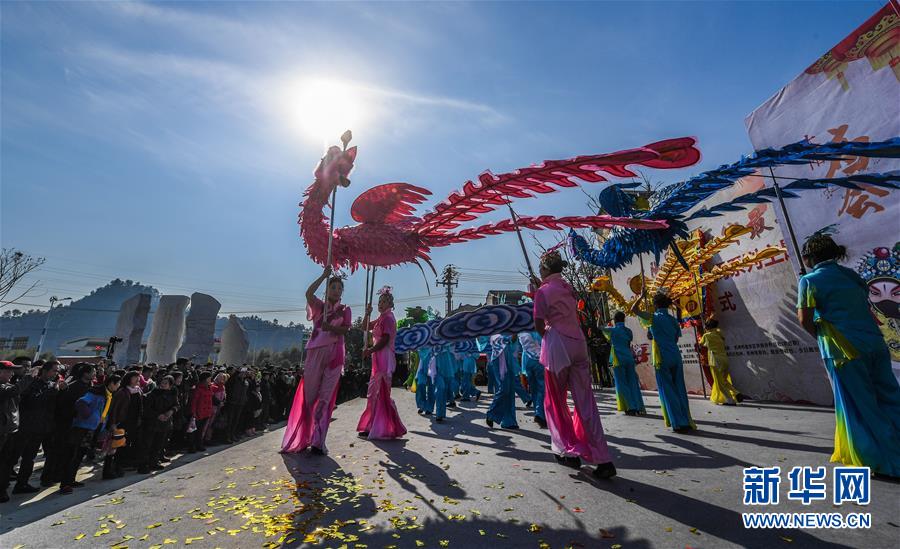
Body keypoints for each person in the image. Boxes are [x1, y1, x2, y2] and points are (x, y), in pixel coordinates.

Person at [797, 233, 900, 478]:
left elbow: (805, 319)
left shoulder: (809, 281)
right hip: (874, 342)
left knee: (861, 405)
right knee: (890, 398)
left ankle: (884, 460)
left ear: (809, 257)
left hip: (843, 350)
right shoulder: (851, 276)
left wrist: (823, 335)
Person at [533, 251, 616, 479]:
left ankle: (567, 450)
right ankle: (603, 458)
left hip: (558, 345)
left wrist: (546, 331)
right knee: (585, 402)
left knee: (555, 401)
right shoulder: (568, 288)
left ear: (545, 270)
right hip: (579, 343)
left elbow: (539, 323)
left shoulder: (543, 291)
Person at [282, 267, 351, 454]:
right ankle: (303, 437)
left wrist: (332, 328)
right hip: (314, 353)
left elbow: (346, 329)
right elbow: (308, 293)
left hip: (335, 355)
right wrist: (323, 275)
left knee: (325, 398)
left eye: (339, 288)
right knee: (310, 396)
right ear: (327, 290)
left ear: (342, 292)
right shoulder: (319, 306)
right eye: (333, 287)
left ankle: (318, 441)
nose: (336, 291)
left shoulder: (345, 309)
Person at [632, 292, 695, 433]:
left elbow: (634, 310)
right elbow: (675, 339)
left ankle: (678, 422)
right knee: (679, 388)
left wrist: (641, 297)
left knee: (668, 389)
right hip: (675, 355)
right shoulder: (673, 320)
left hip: (662, 357)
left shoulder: (653, 318)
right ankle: (685, 419)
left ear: (655, 305)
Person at [357, 287, 407, 439]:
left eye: (384, 301)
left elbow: (385, 340)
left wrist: (370, 350)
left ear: (391, 304)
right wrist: (367, 313)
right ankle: (374, 425)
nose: (381, 303)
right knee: (374, 393)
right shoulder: (380, 318)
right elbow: (363, 327)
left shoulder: (389, 319)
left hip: (384, 358)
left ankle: (381, 426)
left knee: (380, 392)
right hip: (377, 359)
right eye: (380, 301)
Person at [9, 360, 64, 494]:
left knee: (29, 458)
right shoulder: (32, 384)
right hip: (24, 427)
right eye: (53, 370)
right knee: (12, 457)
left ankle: (22, 484)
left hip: (40, 428)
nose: (55, 374)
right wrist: (53, 390)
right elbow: (32, 401)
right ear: (44, 371)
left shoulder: (52, 386)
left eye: (57, 371)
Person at [60, 374, 120, 494]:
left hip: (94, 429)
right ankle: (65, 483)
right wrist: (89, 416)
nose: (118, 386)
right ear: (111, 383)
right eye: (117, 383)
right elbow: (81, 402)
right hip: (83, 428)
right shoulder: (96, 393)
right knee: (73, 455)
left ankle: (71, 480)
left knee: (80, 455)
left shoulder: (109, 395)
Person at [0, 360, 34, 502]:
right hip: (2, 431)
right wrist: (30, 376)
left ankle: (2, 488)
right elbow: (14, 391)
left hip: (11, 430)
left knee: (7, 462)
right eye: (8, 371)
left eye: (12, 371)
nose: (11, 373)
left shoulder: (10, 385)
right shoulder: (4, 388)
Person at [603, 312, 645, 415]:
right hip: (629, 357)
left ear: (614, 320)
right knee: (632, 382)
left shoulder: (612, 330)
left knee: (622, 382)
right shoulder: (628, 331)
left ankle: (630, 406)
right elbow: (628, 343)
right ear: (624, 319)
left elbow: (600, 328)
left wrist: (601, 319)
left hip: (617, 358)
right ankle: (638, 405)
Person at [138, 375, 179, 474]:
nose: (163, 385)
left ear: (170, 385)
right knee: (147, 444)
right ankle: (143, 465)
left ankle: (154, 462)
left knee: (158, 444)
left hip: (165, 423)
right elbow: (147, 409)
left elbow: (177, 404)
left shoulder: (172, 394)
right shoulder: (152, 394)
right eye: (162, 382)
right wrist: (157, 415)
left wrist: (171, 411)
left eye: (166, 383)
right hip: (152, 423)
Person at [698, 319, 741, 406]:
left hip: (715, 361)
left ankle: (730, 400)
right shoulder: (719, 333)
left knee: (719, 383)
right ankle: (736, 392)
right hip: (724, 359)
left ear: (707, 327)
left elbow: (700, 345)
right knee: (724, 380)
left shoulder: (706, 335)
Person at [485, 334, 519, 430]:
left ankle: (509, 421)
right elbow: (491, 339)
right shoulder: (494, 326)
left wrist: (514, 334)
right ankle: (491, 413)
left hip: (509, 359)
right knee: (504, 389)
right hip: (498, 360)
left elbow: (513, 343)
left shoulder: (510, 324)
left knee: (510, 391)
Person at [518, 331, 547, 428]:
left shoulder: (520, 331)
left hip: (527, 360)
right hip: (539, 359)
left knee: (534, 389)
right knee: (542, 388)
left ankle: (537, 412)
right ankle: (540, 413)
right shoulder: (535, 329)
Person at [190, 372, 215, 452]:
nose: (210, 380)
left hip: (206, 412)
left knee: (201, 430)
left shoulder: (209, 387)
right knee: (194, 430)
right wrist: (193, 412)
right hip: (198, 412)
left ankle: (199, 444)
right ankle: (192, 446)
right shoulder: (198, 388)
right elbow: (194, 401)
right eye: (209, 378)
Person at [415, 346, 436, 415]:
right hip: (422, 365)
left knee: (431, 388)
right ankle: (422, 405)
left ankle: (429, 408)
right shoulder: (423, 340)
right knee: (420, 385)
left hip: (432, 364)